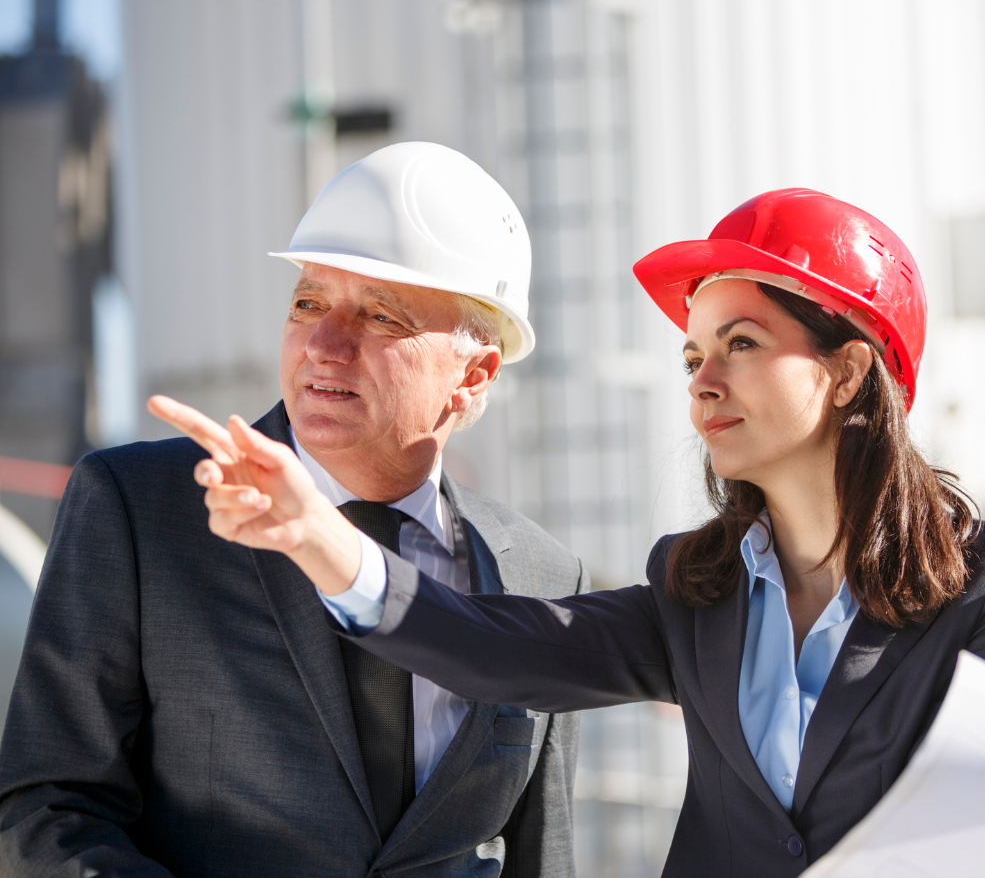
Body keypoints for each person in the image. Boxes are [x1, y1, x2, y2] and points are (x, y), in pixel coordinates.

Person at [154, 188, 985, 877]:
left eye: (741, 344)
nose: (704, 381)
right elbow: (493, 650)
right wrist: (319, 538)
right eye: (693, 356)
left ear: (851, 371)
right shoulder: (695, 589)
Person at [0, 142, 587, 877]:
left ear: (473, 376)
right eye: (308, 302)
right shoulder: (144, 512)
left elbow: (546, 856)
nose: (323, 344)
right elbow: (47, 810)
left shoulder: (541, 575)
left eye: (380, 316)